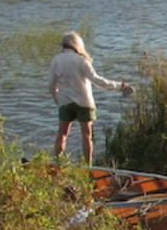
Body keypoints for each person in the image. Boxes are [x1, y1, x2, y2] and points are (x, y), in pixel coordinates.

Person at [49, 31, 131, 162]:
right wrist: (119, 85)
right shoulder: (81, 60)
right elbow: (97, 81)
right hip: (84, 102)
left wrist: (58, 101)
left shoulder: (56, 60)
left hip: (65, 101)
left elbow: (51, 86)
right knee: (86, 135)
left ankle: (57, 165)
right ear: (77, 44)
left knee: (62, 134)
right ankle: (88, 167)